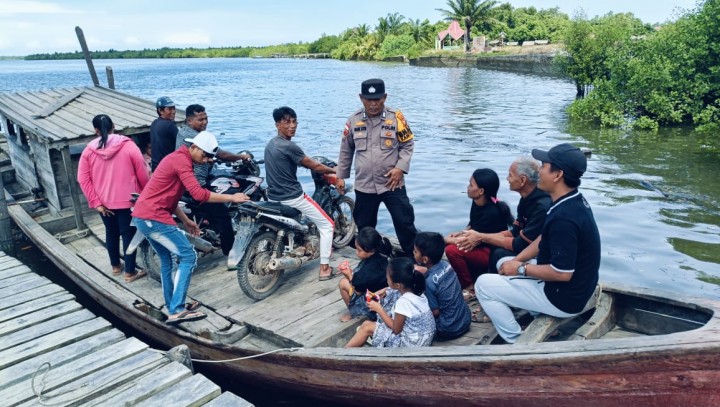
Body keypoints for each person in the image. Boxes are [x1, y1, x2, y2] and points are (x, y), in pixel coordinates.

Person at [475, 143, 601, 344]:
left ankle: (516, 341)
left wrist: (522, 269)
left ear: (557, 175)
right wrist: (516, 262)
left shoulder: (565, 218)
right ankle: (534, 315)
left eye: (543, 166)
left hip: (564, 297)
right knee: (503, 263)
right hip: (573, 287)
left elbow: (562, 273)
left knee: (482, 285)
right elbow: (542, 238)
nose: (538, 171)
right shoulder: (567, 200)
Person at [132, 131, 250, 324]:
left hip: (144, 216)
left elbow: (169, 196)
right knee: (188, 255)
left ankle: (173, 306)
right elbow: (199, 194)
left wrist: (186, 220)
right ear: (193, 147)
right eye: (204, 155)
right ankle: (177, 309)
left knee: (167, 259)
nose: (205, 160)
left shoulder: (177, 159)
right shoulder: (182, 161)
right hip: (153, 217)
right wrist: (232, 197)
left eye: (209, 157)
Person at [335, 78, 418, 257]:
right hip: (364, 184)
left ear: (385, 97)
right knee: (364, 225)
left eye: (377, 99)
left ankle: (414, 258)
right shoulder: (353, 120)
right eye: (368, 100)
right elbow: (346, 150)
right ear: (361, 98)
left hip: (392, 183)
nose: (373, 104)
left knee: (404, 222)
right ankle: (373, 258)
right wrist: (340, 176)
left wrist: (400, 168)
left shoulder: (396, 117)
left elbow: (408, 145)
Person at [264, 106, 337, 280]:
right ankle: (325, 268)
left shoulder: (271, 144)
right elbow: (315, 166)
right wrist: (335, 171)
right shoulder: (289, 146)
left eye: (294, 121)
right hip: (293, 197)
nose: (292, 126)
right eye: (287, 122)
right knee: (328, 225)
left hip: (273, 196)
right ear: (277, 125)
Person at [77, 114, 150, 282]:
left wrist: (96, 202)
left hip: (103, 203)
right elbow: (143, 174)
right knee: (128, 234)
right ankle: (130, 272)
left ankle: (116, 267)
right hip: (128, 200)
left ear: (95, 130)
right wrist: (146, 193)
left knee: (111, 233)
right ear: (114, 126)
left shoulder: (88, 150)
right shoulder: (128, 146)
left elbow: (83, 179)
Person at [175, 104, 251, 255]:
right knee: (223, 216)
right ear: (189, 121)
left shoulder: (182, 133)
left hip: (189, 184)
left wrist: (211, 160)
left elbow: (213, 155)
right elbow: (220, 154)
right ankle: (231, 253)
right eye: (200, 119)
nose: (204, 122)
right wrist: (241, 156)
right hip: (195, 184)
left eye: (206, 118)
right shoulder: (194, 138)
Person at [458, 157, 551, 273]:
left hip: (543, 257)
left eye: (510, 175)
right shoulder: (526, 199)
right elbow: (515, 232)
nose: (507, 179)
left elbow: (519, 244)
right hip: (527, 245)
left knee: (499, 253)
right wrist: (481, 237)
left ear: (522, 180)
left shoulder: (541, 207)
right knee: (497, 248)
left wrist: (481, 237)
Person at [444, 168, 513, 298]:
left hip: (491, 254)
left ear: (481, 191)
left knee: (451, 250)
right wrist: (459, 233)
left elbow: (473, 238)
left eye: (471, 185)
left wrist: (445, 239)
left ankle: (470, 288)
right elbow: (473, 226)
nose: (468, 187)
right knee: (452, 241)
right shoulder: (477, 202)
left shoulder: (492, 212)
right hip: (479, 245)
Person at [346, 257, 435, 348]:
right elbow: (392, 290)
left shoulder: (404, 302)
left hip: (412, 345)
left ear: (397, 285)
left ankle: (342, 354)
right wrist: (382, 291)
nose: (387, 280)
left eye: (388, 279)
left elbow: (396, 330)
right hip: (423, 337)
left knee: (366, 326)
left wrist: (379, 309)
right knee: (373, 322)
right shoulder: (417, 290)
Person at [413, 232, 471, 339]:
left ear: (425, 259)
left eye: (415, 251)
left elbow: (435, 312)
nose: (413, 253)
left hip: (448, 328)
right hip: (466, 319)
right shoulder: (447, 265)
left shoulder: (429, 283)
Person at [338, 226, 390, 322]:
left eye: (359, 250)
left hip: (373, 302)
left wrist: (349, 275)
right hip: (383, 296)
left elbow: (357, 290)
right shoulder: (383, 257)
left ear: (371, 251)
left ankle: (354, 313)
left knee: (343, 283)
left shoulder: (369, 269)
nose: (356, 253)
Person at [150, 96, 178, 171]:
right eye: (169, 109)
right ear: (161, 111)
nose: (173, 111)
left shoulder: (154, 123)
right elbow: (181, 144)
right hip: (168, 168)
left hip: (156, 168)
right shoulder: (170, 125)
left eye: (174, 108)